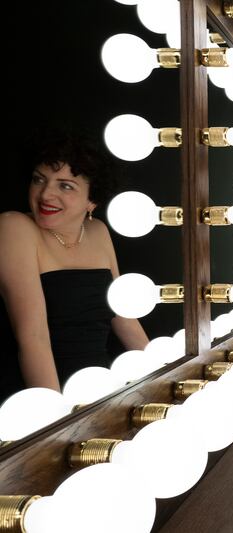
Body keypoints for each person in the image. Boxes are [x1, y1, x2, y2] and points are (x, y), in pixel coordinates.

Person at [0, 128, 149, 398]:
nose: (46, 194)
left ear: (92, 200)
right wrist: (53, 421)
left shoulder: (98, 231)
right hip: (40, 392)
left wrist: (162, 375)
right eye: (39, 180)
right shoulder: (14, 227)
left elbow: (124, 320)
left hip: (98, 389)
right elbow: (33, 338)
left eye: (65, 186)